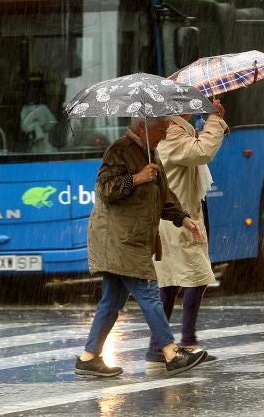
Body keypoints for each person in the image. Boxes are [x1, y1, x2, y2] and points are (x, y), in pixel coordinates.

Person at [75, 117, 208, 378]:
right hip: (119, 238)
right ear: (142, 128)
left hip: (131, 237)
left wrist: (183, 218)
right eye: (160, 130)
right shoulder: (120, 150)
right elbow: (105, 188)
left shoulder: (150, 152)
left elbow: (163, 195)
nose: (163, 135)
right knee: (148, 292)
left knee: (112, 300)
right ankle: (170, 353)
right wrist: (136, 178)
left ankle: (88, 357)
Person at [146, 99, 228, 364]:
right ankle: (187, 341)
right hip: (177, 218)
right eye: (190, 100)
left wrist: (211, 122)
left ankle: (158, 345)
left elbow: (198, 150)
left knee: (170, 282)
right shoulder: (172, 134)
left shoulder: (178, 131)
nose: (195, 104)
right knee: (196, 275)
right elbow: (202, 152)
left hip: (177, 216)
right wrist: (214, 120)